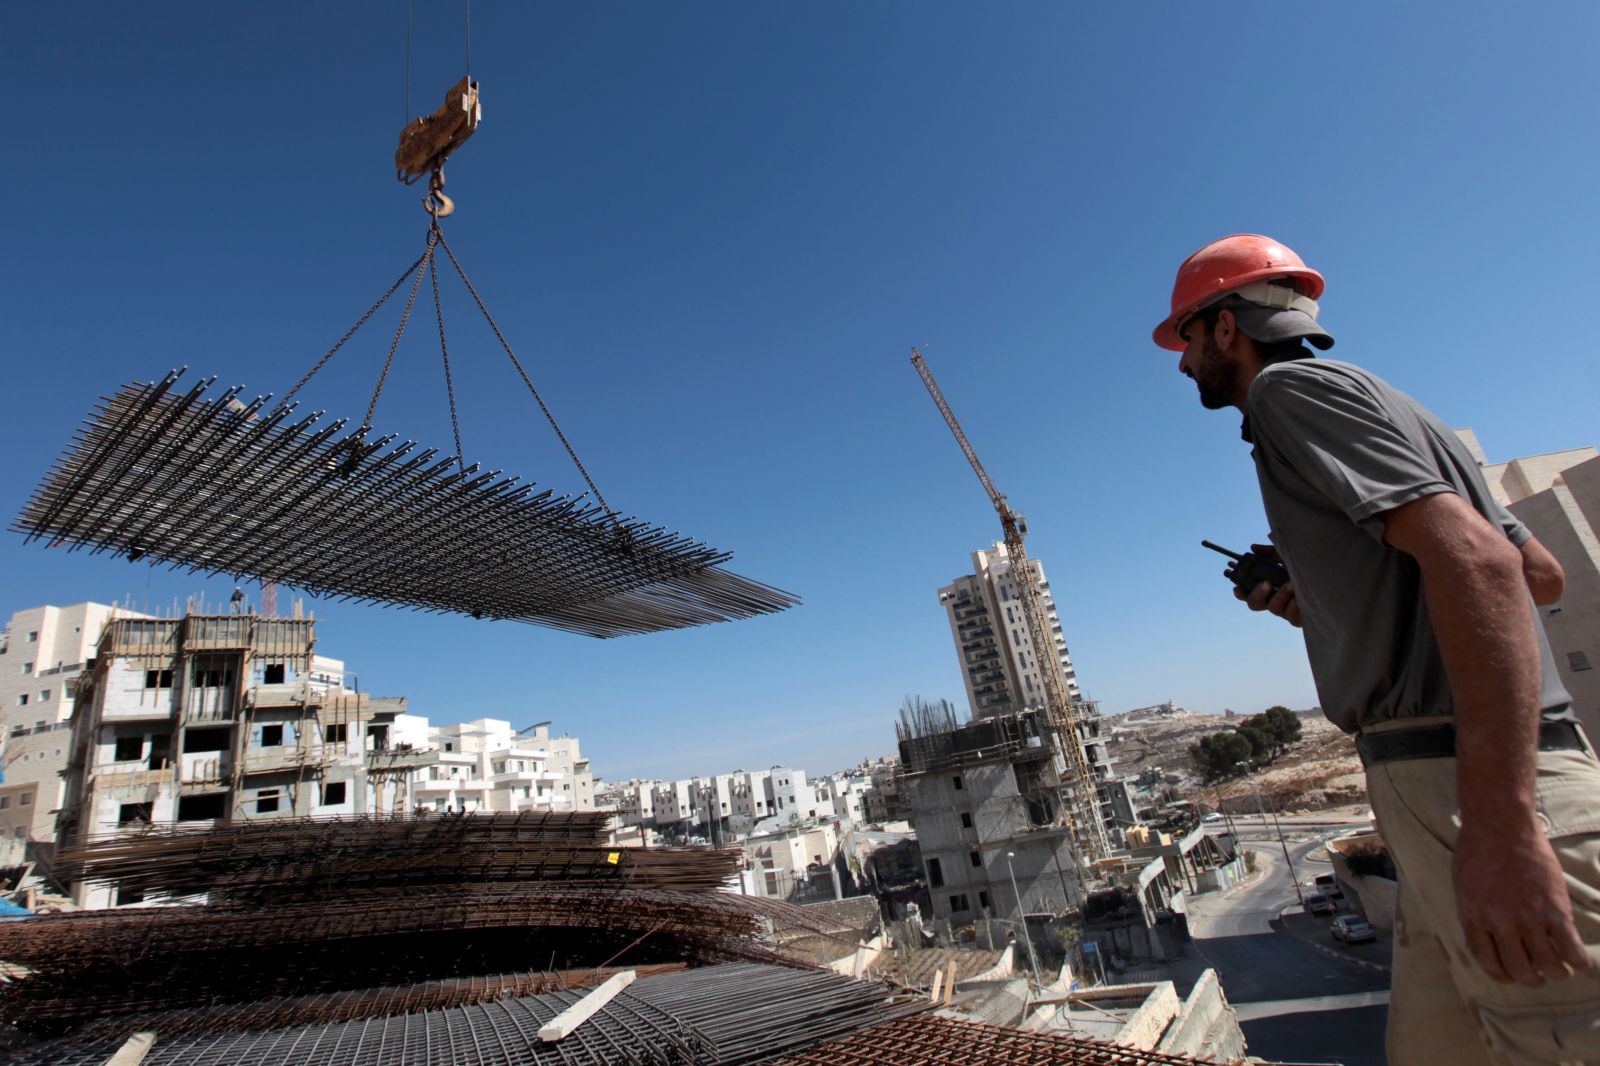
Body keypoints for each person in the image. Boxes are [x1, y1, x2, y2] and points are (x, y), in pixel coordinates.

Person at [1153, 234, 1600, 1064]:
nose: (1182, 365)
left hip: (1475, 791)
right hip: (1455, 795)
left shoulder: (1289, 391)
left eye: (1186, 339)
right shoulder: (1399, 406)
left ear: (1225, 329)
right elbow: (1540, 575)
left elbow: (1483, 565)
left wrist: (1503, 828)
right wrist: (1330, 606)